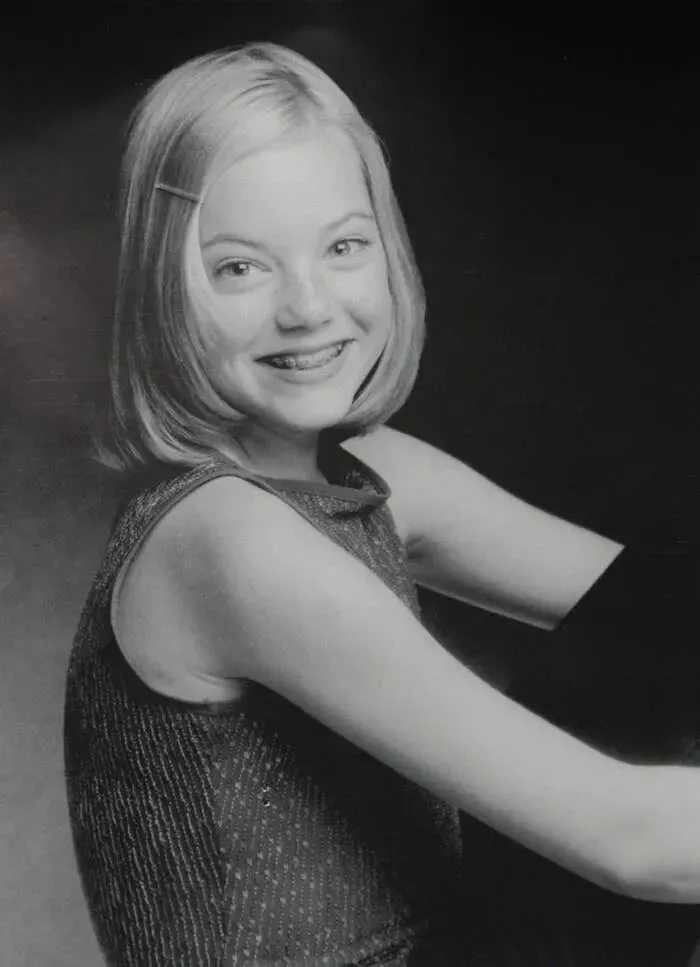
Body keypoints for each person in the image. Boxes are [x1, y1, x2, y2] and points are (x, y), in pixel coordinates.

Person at [63, 41, 700, 967]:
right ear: (163, 288)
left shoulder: (368, 473)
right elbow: (634, 843)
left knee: (665, 619)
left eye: (343, 247)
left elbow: (661, 610)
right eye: (240, 268)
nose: (308, 307)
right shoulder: (223, 540)